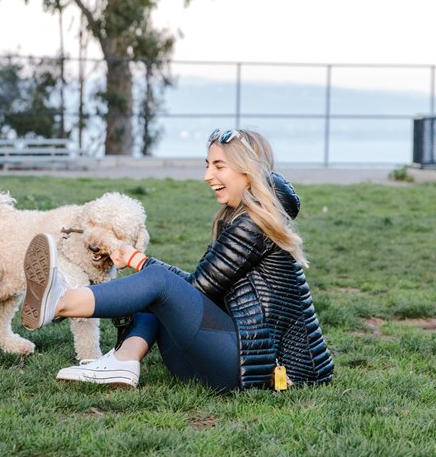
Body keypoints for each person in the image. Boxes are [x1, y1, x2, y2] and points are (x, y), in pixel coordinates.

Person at [21, 128, 334, 391]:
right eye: (208, 165)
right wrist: (139, 261)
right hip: (234, 360)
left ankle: (61, 301)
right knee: (153, 285)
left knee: (157, 283)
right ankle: (123, 362)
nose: (207, 176)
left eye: (219, 166)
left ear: (247, 170)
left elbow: (194, 291)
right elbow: (194, 292)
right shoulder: (238, 217)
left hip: (265, 370)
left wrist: (141, 263)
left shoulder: (255, 224)